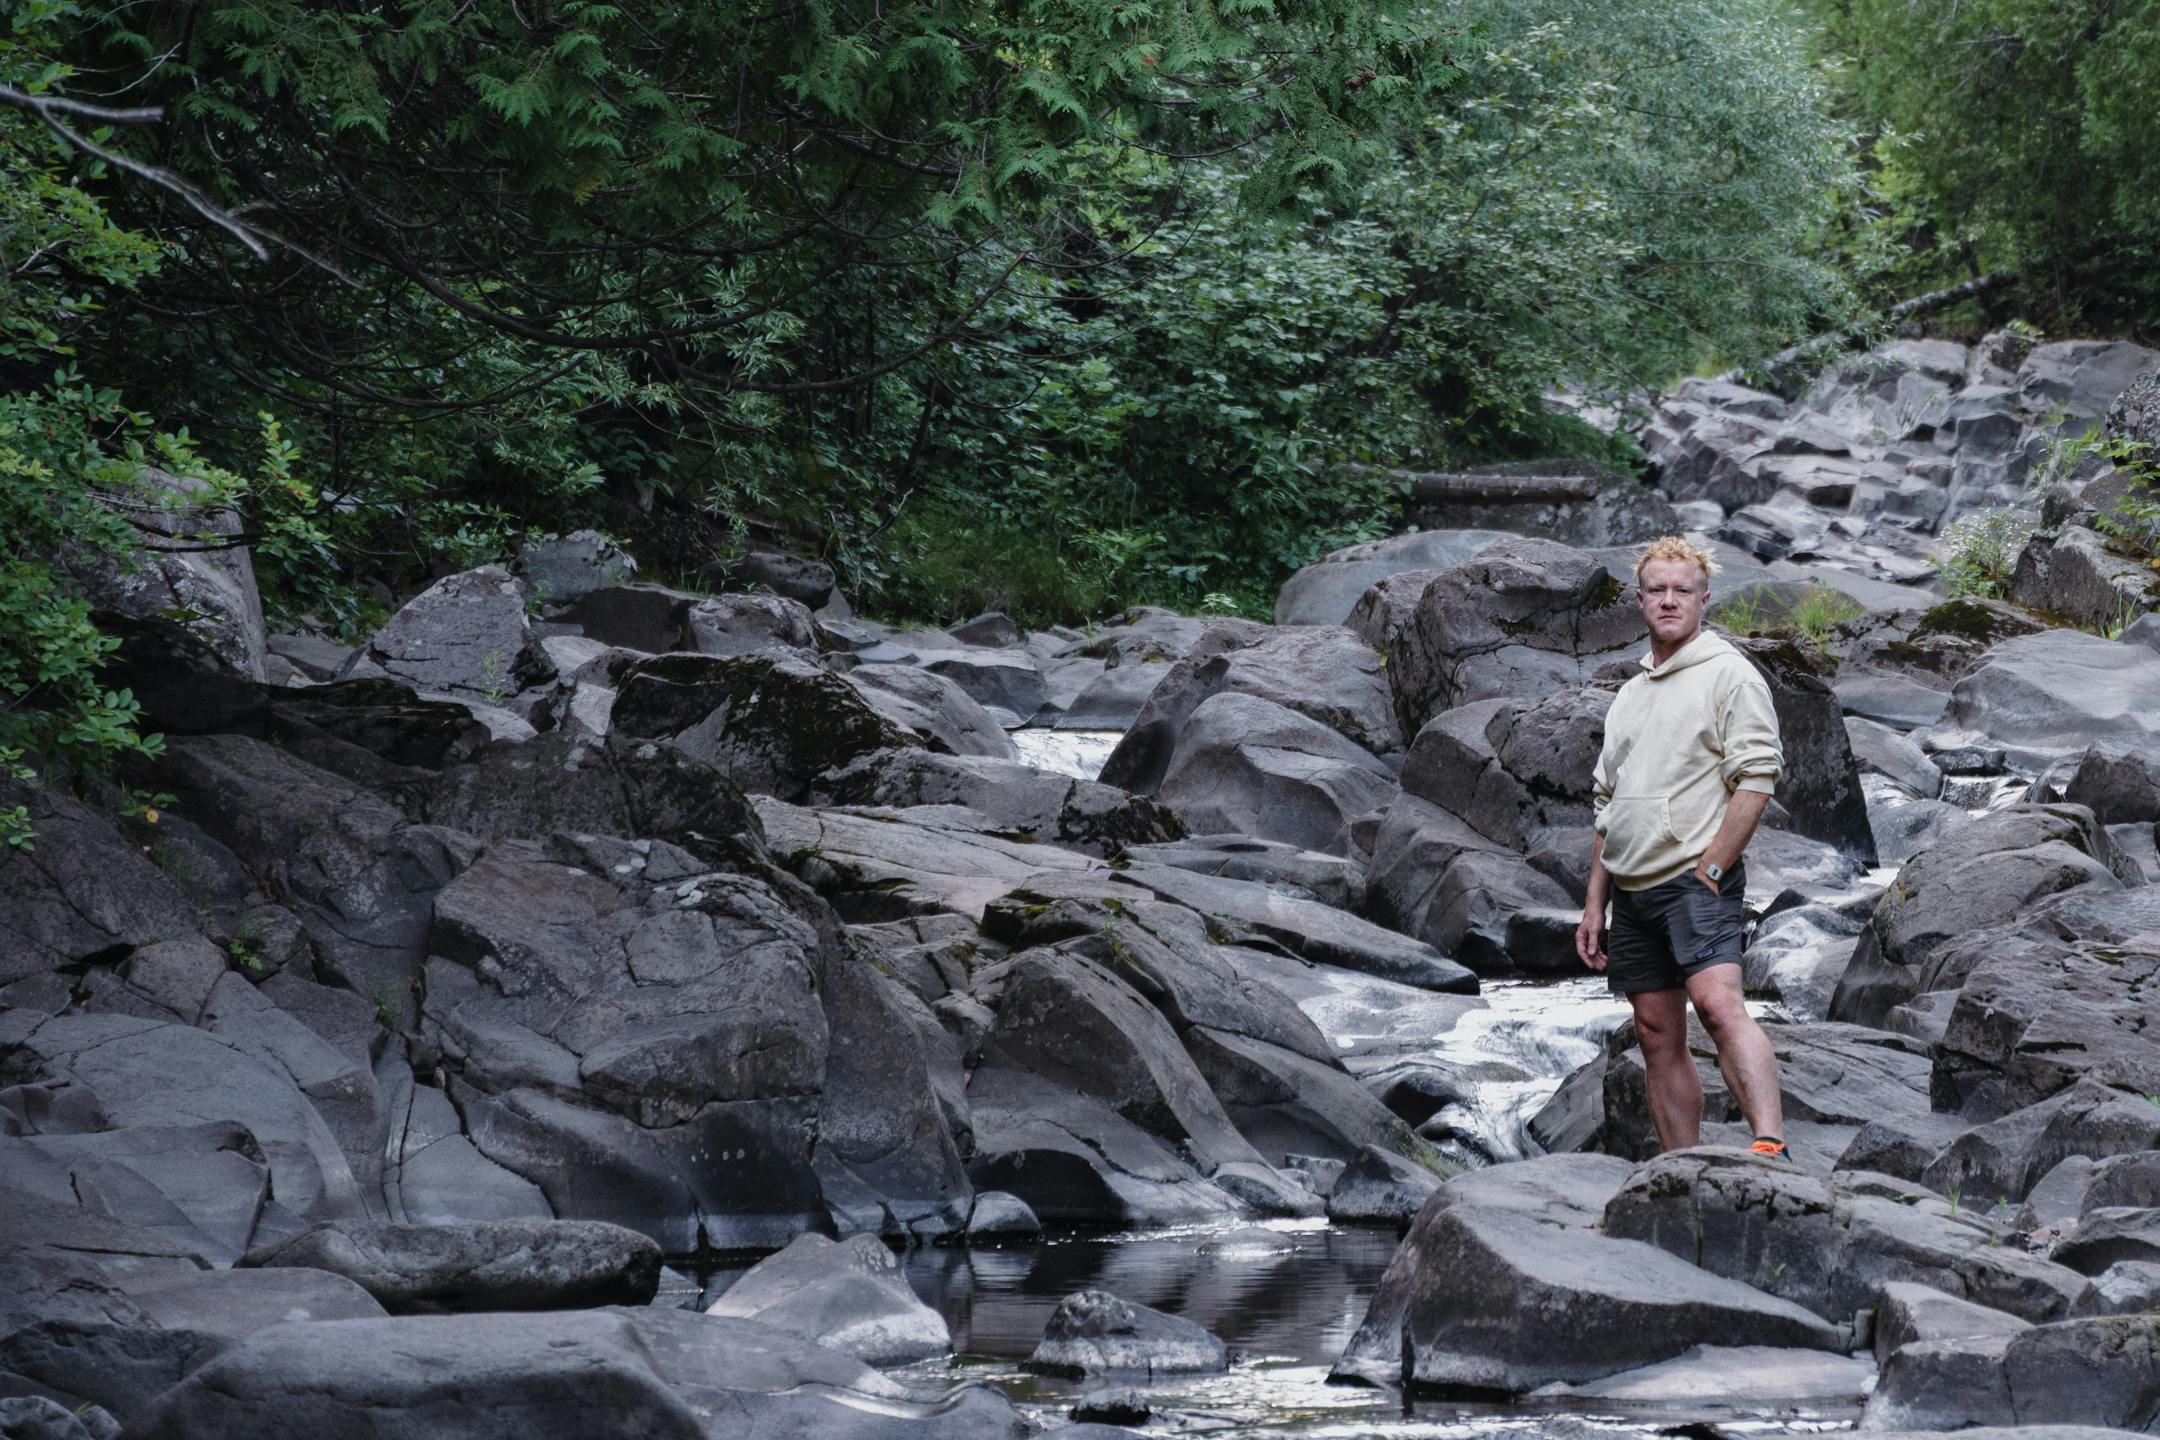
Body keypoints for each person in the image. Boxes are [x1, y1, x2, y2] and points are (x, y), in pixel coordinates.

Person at [1575, 535, 1790, 1161]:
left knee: (1719, 1009)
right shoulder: (1631, 695)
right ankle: (1683, 1167)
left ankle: (1769, 1146)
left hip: (1697, 881)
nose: (1670, 601)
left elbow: (1756, 779)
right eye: (1658, 591)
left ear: (1704, 599)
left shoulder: (1730, 676)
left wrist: (1713, 866)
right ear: (1640, 601)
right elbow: (1605, 806)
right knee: (1655, 1032)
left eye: (1682, 591)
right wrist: (1596, 906)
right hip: (1633, 893)